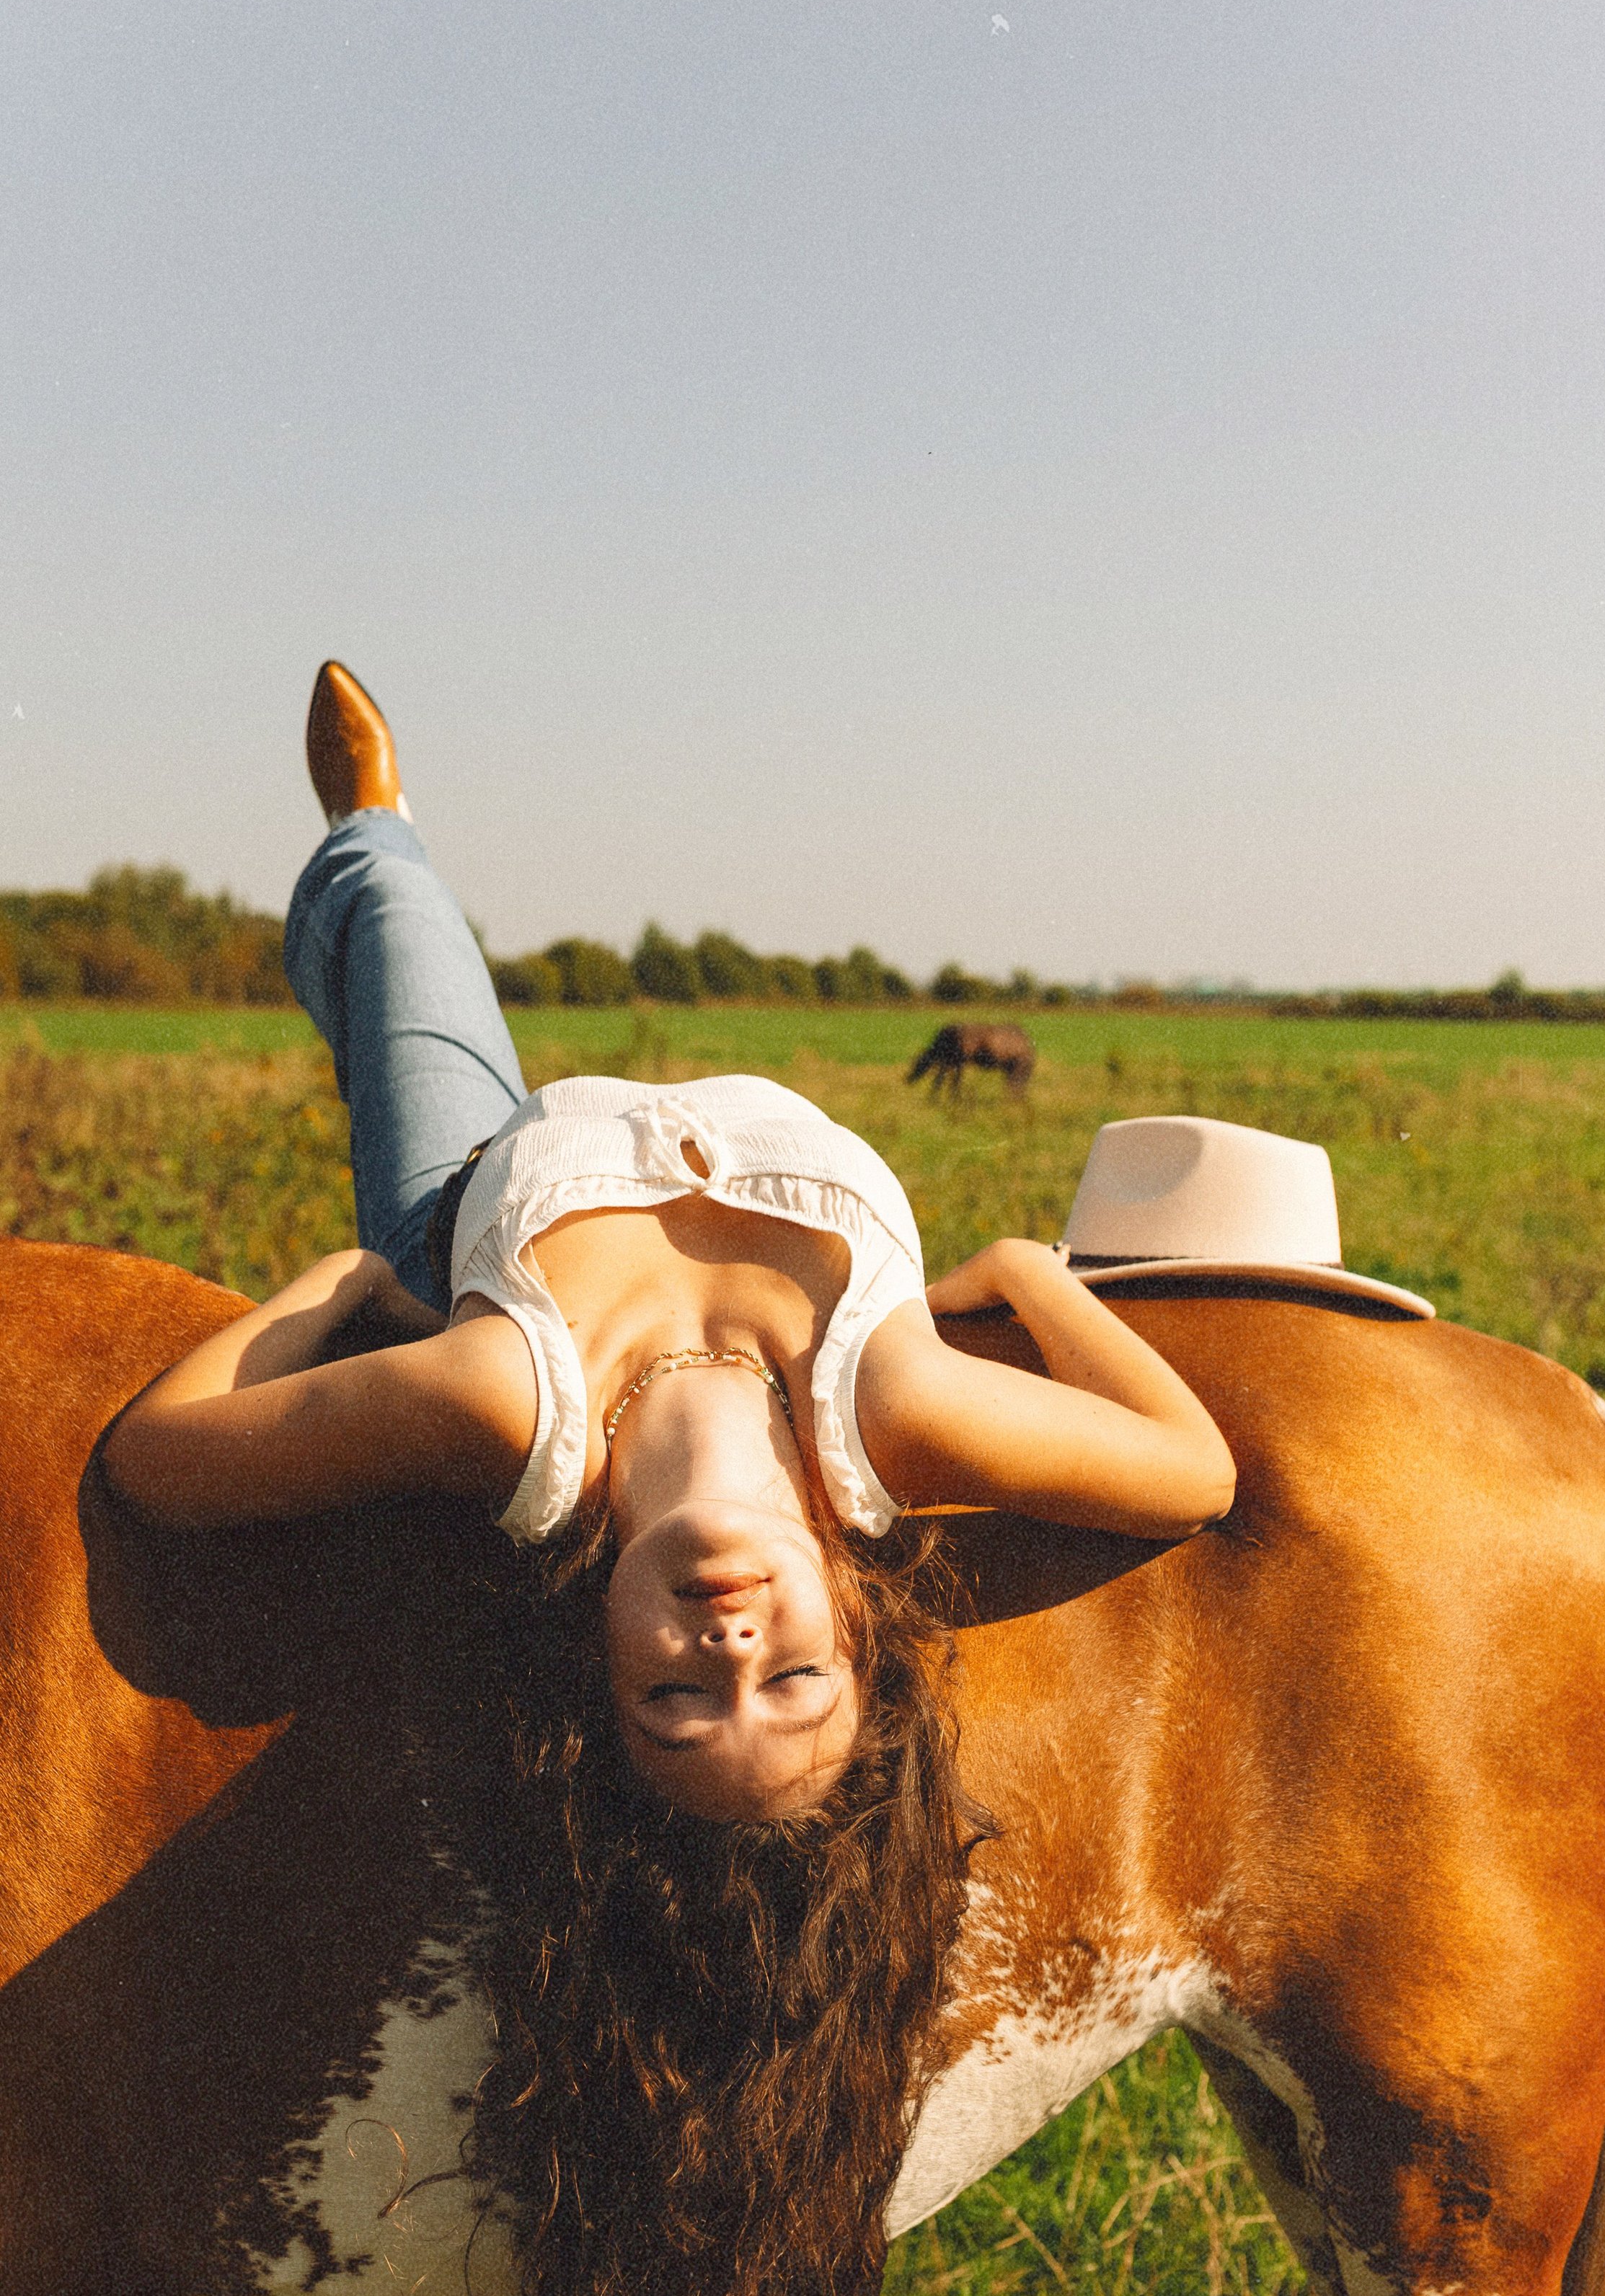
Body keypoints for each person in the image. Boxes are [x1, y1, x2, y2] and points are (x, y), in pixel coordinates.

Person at [104, 662, 1236, 1827]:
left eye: (677, 1697)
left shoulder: (503, 1404)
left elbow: (155, 1462)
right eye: (795, 1679)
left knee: (393, 910)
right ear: (858, 1627)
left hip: (470, 1191)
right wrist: (1024, 1272)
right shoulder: (897, 1408)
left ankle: (367, 824)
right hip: (597, 1187)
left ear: (602, 1655)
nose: (734, 1645)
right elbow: (1197, 1472)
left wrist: (349, 1279)